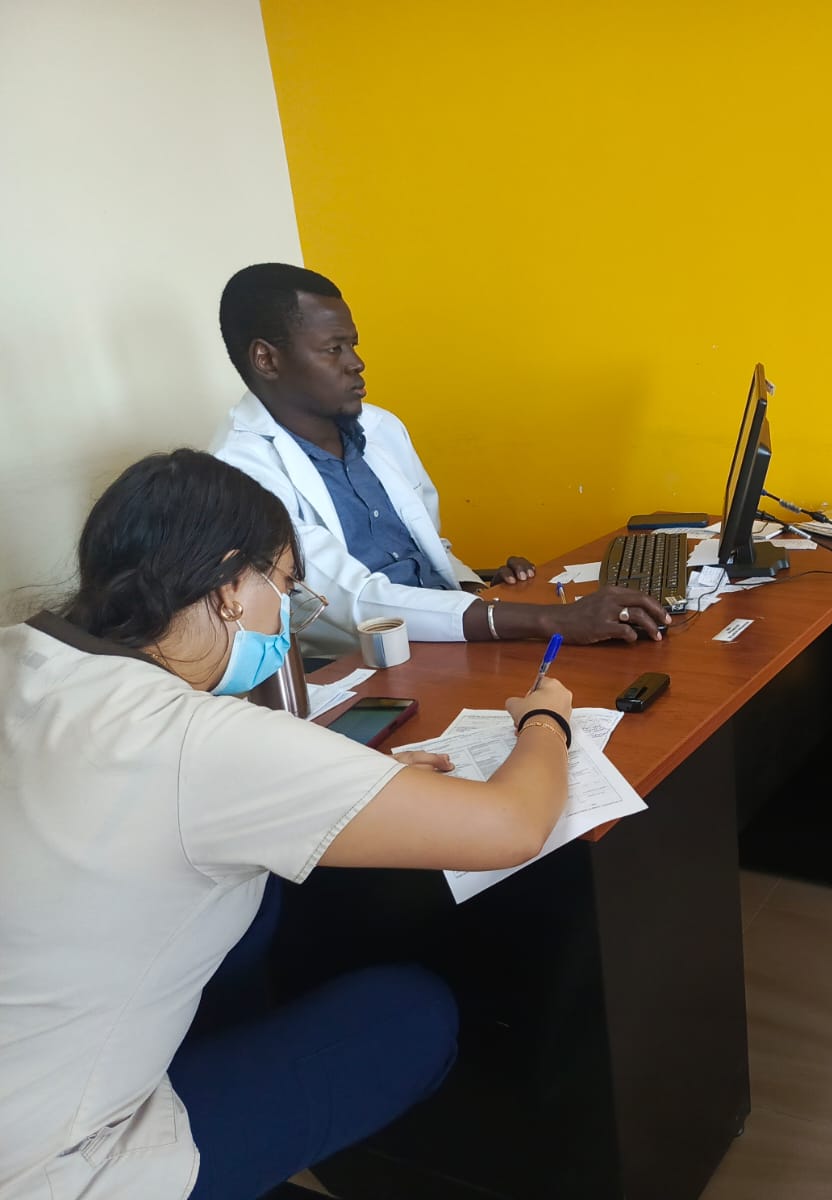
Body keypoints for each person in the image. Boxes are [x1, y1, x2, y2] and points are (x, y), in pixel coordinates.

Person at [0, 450, 582, 1200]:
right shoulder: (198, 741)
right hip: (51, 1165)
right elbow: (513, 825)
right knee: (410, 1015)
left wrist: (348, 787)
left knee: (262, 908)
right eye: (283, 587)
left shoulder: (22, 651)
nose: (285, 618)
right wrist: (545, 721)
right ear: (229, 588)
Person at [210, 262, 667, 657]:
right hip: (369, 663)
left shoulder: (380, 427)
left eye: (353, 345)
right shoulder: (239, 474)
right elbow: (354, 603)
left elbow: (429, 548)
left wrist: (477, 585)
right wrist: (547, 619)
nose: (356, 363)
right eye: (334, 349)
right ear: (267, 360)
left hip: (453, 639)